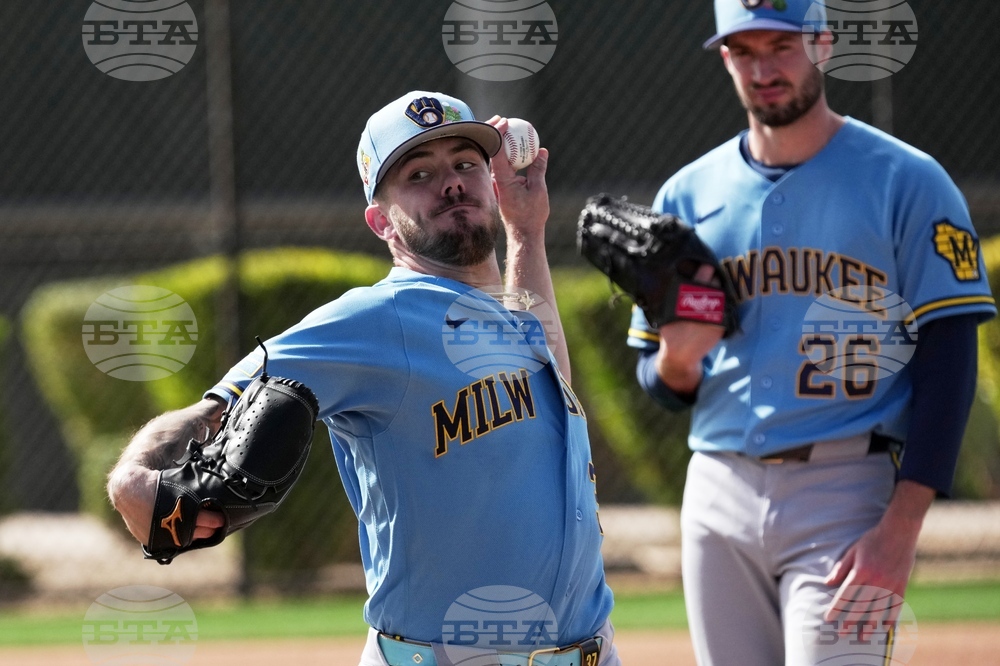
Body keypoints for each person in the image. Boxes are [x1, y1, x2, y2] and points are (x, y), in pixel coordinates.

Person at [107, 91, 620, 666]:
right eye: (419, 174)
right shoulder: (378, 319)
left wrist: (525, 232)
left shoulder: (509, 310)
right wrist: (133, 476)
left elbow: (552, 386)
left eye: (465, 163)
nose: (451, 182)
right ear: (381, 222)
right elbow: (222, 401)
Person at [626, 2, 996, 665]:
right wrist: (676, 365)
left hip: (846, 486)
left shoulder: (908, 181)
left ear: (823, 44)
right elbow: (660, 382)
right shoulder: (685, 195)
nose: (764, 68)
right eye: (744, 51)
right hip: (717, 488)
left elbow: (949, 360)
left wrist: (901, 529)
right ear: (723, 58)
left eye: (782, 46)